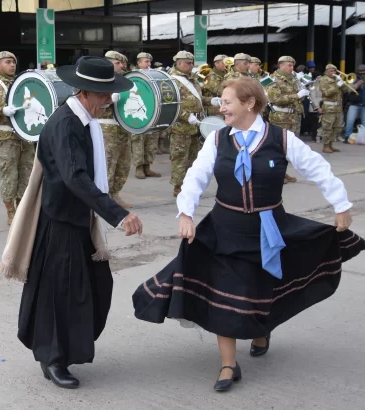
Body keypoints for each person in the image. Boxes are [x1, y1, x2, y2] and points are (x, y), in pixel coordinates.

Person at [133, 77, 364, 392]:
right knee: (221, 295)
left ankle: (261, 329)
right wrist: (185, 212)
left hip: (269, 229)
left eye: (227, 102)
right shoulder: (217, 140)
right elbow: (195, 177)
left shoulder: (282, 139)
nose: (221, 107)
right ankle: (229, 364)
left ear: (249, 103)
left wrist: (341, 204)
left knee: (261, 288)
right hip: (224, 230)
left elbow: (318, 169)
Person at [4, 56, 143, 389]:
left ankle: (58, 352)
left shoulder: (82, 120)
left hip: (77, 219)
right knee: (60, 293)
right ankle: (53, 358)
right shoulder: (67, 123)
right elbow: (75, 177)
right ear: (86, 92)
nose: (110, 99)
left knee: (86, 288)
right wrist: (118, 213)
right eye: (104, 93)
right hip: (61, 222)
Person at [0, 51, 33, 225]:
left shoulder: (21, 83)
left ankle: (23, 208)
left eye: (14, 62)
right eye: (8, 62)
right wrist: (1, 111)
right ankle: (11, 211)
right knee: (10, 174)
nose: (12, 65)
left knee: (26, 173)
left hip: (25, 135)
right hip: (7, 136)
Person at [168, 51, 217, 197]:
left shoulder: (193, 80)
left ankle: (189, 184)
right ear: (179, 63)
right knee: (180, 158)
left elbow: (199, 99)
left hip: (195, 126)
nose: (191, 66)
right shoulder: (171, 80)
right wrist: (185, 115)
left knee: (193, 159)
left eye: (192, 63)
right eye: (188, 63)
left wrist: (211, 101)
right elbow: (168, 105)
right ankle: (178, 187)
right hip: (180, 127)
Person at [266, 55, 308, 183]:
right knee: (277, 148)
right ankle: (273, 173)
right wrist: (296, 95)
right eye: (289, 65)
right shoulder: (272, 79)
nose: (292, 68)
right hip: (280, 118)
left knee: (289, 148)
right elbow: (275, 99)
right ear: (281, 66)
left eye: (292, 65)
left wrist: (302, 94)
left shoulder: (294, 79)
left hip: (293, 117)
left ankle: (283, 172)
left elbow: (297, 97)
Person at [101, 50, 133, 208]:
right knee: (107, 165)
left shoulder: (125, 81)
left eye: (123, 63)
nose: (122, 65)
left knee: (123, 165)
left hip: (122, 128)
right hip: (107, 129)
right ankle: (104, 199)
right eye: (117, 63)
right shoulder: (99, 79)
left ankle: (115, 194)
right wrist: (107, 101)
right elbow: (91, 104)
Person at [130, 52, 161, 179]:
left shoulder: (154, 75)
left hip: (152, 114)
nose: (149, 64)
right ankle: (139, 168)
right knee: (138, 142)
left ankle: (147, 167)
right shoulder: (133, 77)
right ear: (138, 63)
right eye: (146, 62)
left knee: (151, 142)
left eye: (149, 62)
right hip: (138, 114)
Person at [319, 64, 358, 153]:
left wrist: (343, 82)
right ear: (327, 71)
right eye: (331, 71)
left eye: (334, 71)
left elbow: (346, 90)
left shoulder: (336, 79)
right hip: (329, 107)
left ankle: (331, 145)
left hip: (338, 107)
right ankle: (325, 146)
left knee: (336, 127)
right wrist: (337, 85)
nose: (333, 73)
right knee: (328, 127)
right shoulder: (323, 79)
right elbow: (326, 93)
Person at [345, 64, 365, 140]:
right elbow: (349, 90)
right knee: (350, 121)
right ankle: (347, 136)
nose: (362, 73)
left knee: (364, 122)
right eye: (361, 71)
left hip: (364, 104)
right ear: (358, 71)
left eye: (364, 71)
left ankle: (363, 138)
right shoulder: (353, 78)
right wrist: (358, 84)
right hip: (354, 103)